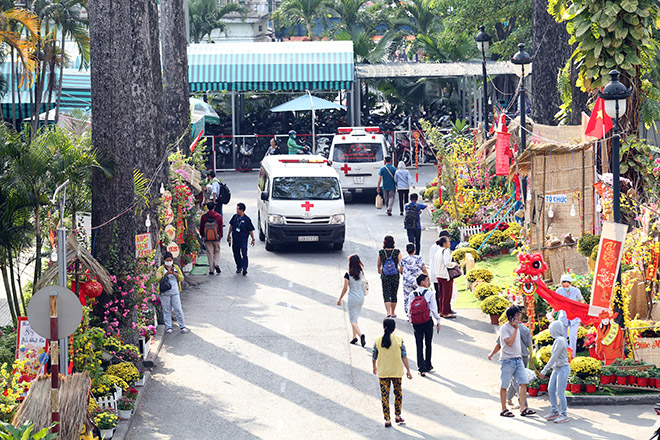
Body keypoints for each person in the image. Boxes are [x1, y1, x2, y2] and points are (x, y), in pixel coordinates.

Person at [372, 318, 413, 427]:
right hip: (396, 371)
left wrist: (374, 367)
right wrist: (408, 370)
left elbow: (374, 356)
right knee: (398, 394)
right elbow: (404, 356)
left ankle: (387, 419)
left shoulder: (377, 340)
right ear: (394, 328)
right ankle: (398, 415)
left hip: (383, 372)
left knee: (385, 395)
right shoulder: (399, 340)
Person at [496, 305, 535, 418]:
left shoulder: (517, 327)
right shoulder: (505, 328)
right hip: (507, 360)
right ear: (511, 317)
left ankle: (523, 407)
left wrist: (520, 357)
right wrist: (516, 329)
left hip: (518, 359)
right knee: (504, 385)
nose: (519, 317)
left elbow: (518, 345)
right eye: (517, 315)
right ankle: (504, 408)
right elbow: (509, 342)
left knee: (524, 382)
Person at [488, 319, 533, 407]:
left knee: (515, 381)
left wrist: (492, 354)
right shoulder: (525, 329)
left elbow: (499, 344)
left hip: (512, 357)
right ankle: (509, 398)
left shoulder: (506, 329)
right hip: (523, 356)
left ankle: (522, 404)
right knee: (518, 380)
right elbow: (528, 343)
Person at [406, 274, 441, 376]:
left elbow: (409, 309)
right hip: (427, 321)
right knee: (428, 343)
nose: (428, 282)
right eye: (427, 280)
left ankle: (421, 368)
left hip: (416, 322)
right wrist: (438, 321)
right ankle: (428, 364)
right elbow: (434, 309)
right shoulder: (430, 293)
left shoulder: (412, 294)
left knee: (419, 344)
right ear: (422, 282)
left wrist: (411, 319)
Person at [539, 320, 571, 423]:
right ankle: (554, 411)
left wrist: (544, 370)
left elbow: (554, 357)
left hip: (563, 368)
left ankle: (564, 414)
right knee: (551, 389)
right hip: (556, 369)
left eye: (552, 329)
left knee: (560, 392)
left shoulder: (560, 340)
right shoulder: (557, 340)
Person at [156, 252, 190, 334]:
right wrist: (166, 274)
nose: (169, 262)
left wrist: (175, 274)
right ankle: (168, 327)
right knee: (167, 310)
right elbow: (158, 279)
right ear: (164, 261)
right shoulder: (161, 269)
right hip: (164, 293)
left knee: (178, 309)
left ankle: (182, 326)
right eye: (167, 260)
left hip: (175, 292)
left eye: (170, 260)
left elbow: (181, 278)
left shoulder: (176, 267)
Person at [337, 255, 366, 347]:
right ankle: (354, 338)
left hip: (352, 298)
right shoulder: (361, 272)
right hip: (361, 297)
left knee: (352, 320)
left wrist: (340, 299)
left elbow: (345, 288)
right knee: (355, 318)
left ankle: (361, 336)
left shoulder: (348, 274)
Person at [555, 274, 584, 356]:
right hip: (564, 315)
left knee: (572, 336)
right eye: (564, 286)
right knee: (562, 337)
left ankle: (572, 355)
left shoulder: (576, 291)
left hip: (574, 315)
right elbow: (556, 302)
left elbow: (581, 300)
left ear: (570, 284)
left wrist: (581, 309)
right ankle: (565, 354)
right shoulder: (559, 291)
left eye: (567, 285)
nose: (566, 287)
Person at [227, 203, 256, 276]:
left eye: (237, 209)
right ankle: (239, 266)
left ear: (241, 210)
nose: (236, 210)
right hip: (235, 238)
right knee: (236, 253)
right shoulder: (235, 217)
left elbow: (250, 230)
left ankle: (244, 267)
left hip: (243, 239)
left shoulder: (247, 219)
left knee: (244, 253)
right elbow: (231, 226)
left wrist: (253, 239)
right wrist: (228, 235)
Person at [432, 236, 457, 319]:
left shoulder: (438, 252)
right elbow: (447, 263)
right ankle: (445, 312)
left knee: (441, 295)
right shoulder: (446, 251)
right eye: (448, 242)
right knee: (447, 295)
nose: (449, 243)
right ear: (444, 243)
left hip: (439, 275)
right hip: (445, 275)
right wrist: (454, 264)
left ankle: (442, 311)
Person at [377, 235, 402, 318]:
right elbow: (400, 263)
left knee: (386, 293)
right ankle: (393, 312)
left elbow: (378, 263)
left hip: (385, 275)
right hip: (395, 275)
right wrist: (400, 270)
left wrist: (379, 269)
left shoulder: (381, 252)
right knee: (394, 293)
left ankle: (388, 312)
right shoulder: (397, 252)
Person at [400, 243, 428, 316]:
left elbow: (401, 271)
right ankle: (419, 312)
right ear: (415, 250)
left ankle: (409, 314)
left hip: (407, 282)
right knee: (419, 296)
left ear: (406, 251)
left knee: (407, 298)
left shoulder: (403, 259)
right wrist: (427, 278)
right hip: (418, 281)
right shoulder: (419, 258)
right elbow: (424, 269)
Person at [199, 202, 223, 275]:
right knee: (217, 251)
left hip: (207, 238)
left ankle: (211, 269)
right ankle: (216, 264)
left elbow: (202, 227)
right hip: (216, 237)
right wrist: (220, 236)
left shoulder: (204, 217)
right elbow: (220, 227)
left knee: (210, 253)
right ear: (214, 207)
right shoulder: (218, 216)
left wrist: (203, 236)